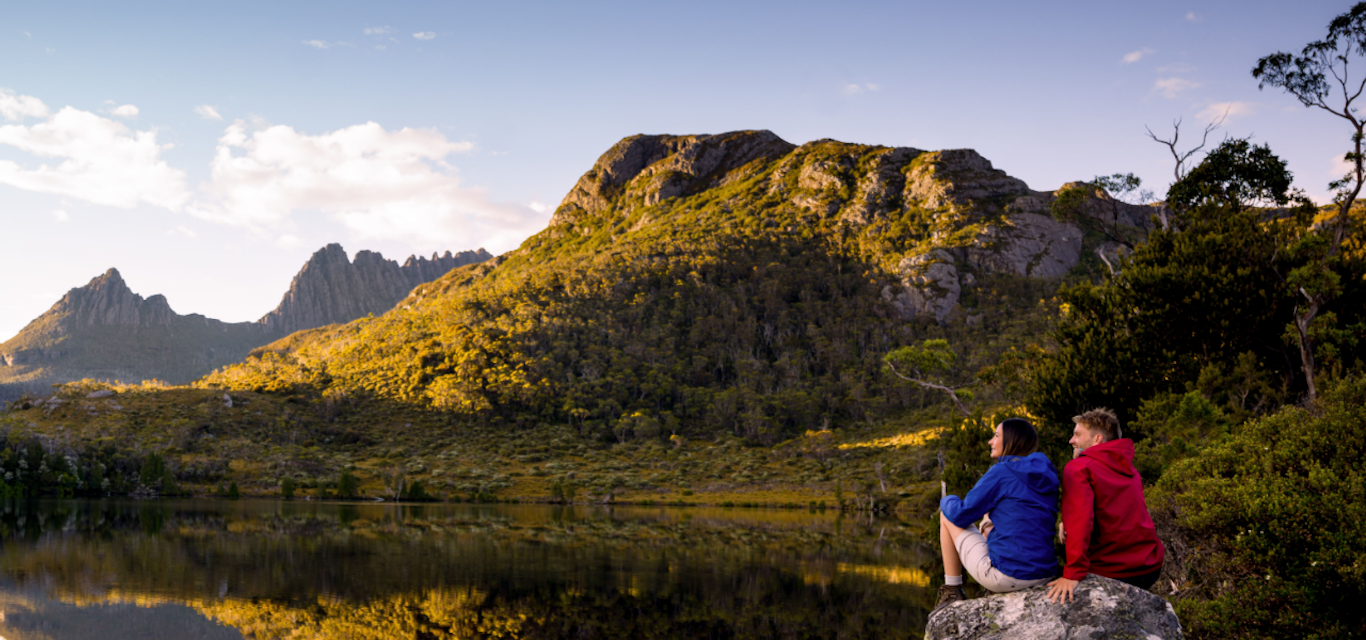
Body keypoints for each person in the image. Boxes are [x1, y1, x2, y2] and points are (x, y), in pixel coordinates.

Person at [935, 418, 1059, 611]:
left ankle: (952, 589)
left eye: (996, 436)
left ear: (1011, 440)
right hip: (1044, 574)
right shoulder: (1046, 471)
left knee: (947, 515)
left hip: (1009, 577)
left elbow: (960, 515)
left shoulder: (1002, 471)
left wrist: (947, 499)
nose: (990, 441)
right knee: (990, 520)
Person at [1047, 408, 1165, 603]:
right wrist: (1065, 523)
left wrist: (1072, 574)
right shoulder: (1127, 467)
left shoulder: (1079, 467)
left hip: (1114, 570)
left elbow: (1081, 521)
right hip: (1150, 566)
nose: (1071, 441)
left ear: (1097, 439)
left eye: (1077, 434)